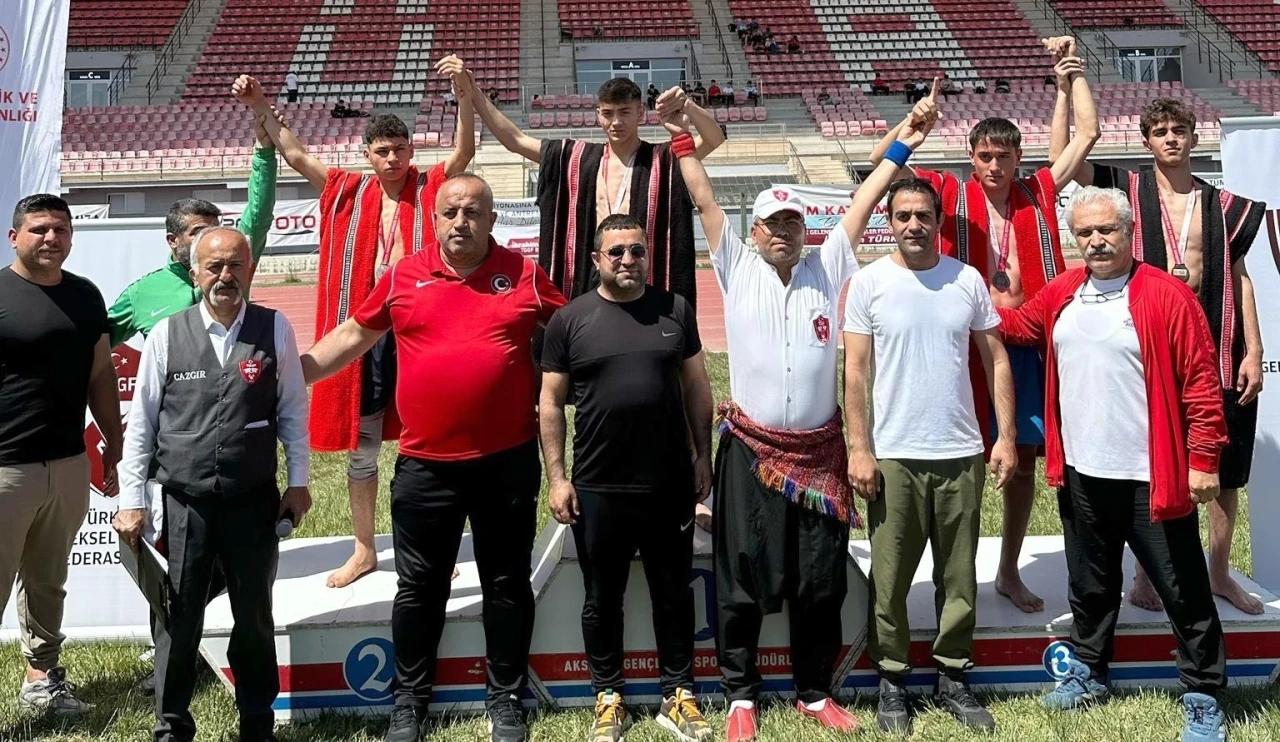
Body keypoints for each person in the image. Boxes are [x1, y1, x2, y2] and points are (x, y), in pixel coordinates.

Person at [300, 174, 566, 742]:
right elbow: (351, 336)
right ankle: (409, 703)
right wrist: (290, 375)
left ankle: (505, 698)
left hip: (507, 462)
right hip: (425, 467)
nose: (460, 222)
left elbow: (576, 329)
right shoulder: (403, 275)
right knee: (419, 588)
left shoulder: (524, 274)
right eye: (450, 212)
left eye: (472, 212)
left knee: (506, 582)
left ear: (491, 219)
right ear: (435, 219)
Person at [668, 94, 891, 742]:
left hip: (820, 453)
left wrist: (905, 137)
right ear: (756, 231)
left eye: (793, 221)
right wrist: (678, 133)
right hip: (751, 451)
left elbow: (866, 199)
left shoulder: (829, 265)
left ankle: (814, 692)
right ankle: (740, 694)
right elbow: (704, 197)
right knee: (740, 573)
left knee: (821, 579)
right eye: (773, 223)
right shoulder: (737, 267)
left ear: (804, 229)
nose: (784, 231)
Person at [870, 45, 1100, 614]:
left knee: (1021, 464)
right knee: (965, 462)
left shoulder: (1037, 191)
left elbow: (1088, 135)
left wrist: (1072, 75)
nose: (994, 165)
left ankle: (1008, 571)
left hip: (1027, 345)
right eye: (985, 155)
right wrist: (913, 123)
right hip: (968, 347)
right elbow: (881, 163)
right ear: (971, 158)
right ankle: (957, 577)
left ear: (1019, 157)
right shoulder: (949, 194)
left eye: (1003, 155)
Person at [996, 186, 1231, 742]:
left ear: (1129, 232)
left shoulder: (1167, 295)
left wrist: (1203, 459)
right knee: (1090, 582)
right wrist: (966, 303)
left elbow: (1201, 384)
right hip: (1081, 471)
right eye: (1085, 233)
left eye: (1107, 230)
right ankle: (1088, 670)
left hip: (1153, 476)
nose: (1096, 241)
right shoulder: (1063, 292)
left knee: (1183, 589)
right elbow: (1021, 326)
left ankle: (1203, 695)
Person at [234, 60, 475, 589]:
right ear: (368, 154)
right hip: (364, 335)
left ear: (411, 151)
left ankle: (428, 547)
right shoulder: (348, 190)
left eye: (400, 149)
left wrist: (463, 93)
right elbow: (295, 153)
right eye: (382, 151)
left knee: (427, 442)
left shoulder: (430, 188)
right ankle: (364, 549)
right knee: (363, 445)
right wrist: (260, 106)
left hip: (420, 332)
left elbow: (464, 152)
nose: (392, 159)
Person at [1050, 95, 1268, 616]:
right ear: (1146, 141)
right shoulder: (1127, 190)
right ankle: (1146, 573)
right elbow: (1062, 159)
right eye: (1160, 131)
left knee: (1224, 466)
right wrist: (1066, 86)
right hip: (1145, 343)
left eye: (1179, 130)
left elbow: (1239, 275)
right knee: (1148, 459)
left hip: (1216, 342)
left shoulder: (1223, 204)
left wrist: (1255, 349)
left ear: (1194, 137)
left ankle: (1219, 573)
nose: (1171, 138)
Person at [844, 128, 1017, 732]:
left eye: (923, 215)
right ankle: (893, 679)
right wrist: (860, 448)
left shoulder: (966, 280)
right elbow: (856, 371)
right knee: (890, 578)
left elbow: (996, 358)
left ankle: (953, 674)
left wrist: (1004, 437)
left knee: (959, 575)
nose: (913, 224)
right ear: (889, 221)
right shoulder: (869, 283)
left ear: (939, 221)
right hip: (893, 454)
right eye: (903, 215)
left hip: (961, 451)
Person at [112, 227, 311, 742]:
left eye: (235, 266)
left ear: (250, 270)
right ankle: (172, 727)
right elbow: (142, 426)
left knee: (254, 616)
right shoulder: (167, 334)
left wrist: (299, 482)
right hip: (184, 503)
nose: (225, 276)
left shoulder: (274, 328)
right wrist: (131, 500)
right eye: (214, 267)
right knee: (178, 619)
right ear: (195, 272)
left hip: (253, 501)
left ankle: (257, 725)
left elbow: (293, 411)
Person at [107, 105, 279, 696]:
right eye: (197, 235)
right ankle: (173, 676)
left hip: (241, 472)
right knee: (176, 585)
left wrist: (263, 149)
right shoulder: (145, 295)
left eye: (216, 233)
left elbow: (258, 211)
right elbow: (94, 339)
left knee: (241, 587)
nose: (211, 245)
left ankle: (232, 676)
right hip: (174, 472)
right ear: (174, 242)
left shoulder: (231, 277)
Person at [539, 213, 715, 742]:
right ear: (596, 259)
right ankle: (608, 695)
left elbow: (697, 387)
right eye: (616, 252)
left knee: (673, 593)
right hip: (599, 487)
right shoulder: (569, 321)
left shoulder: (675, 310)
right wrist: (557, 478)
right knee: (601, 598)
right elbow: (550, 403)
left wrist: (702, 456)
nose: (628, 260)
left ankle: (677, 694)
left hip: (668, 484)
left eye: (637, 250)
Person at [447, 59, 723, 309]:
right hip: (586, 275)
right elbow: (515, 140)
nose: (616, 122)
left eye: (625, 112)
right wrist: (474, 92)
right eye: (608, 113)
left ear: (641, 113)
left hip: (644, 274)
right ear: (598, 114)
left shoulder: (663, 158)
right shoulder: (577, 157)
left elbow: (714, 138)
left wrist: (688, 106)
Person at [0, 194, 121, 716]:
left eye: (61, 229)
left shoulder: (85, 296)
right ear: (15, 237)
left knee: (48, 582)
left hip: (68, 465)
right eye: (39, 229)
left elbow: (101, 373)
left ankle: (42, 681)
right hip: (6, 469)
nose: (51, 238)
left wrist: (114, 443)